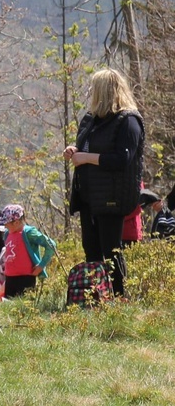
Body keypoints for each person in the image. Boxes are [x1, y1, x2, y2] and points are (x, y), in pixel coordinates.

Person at [63, 68, 145, 297]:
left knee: (111, 250)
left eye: (94, 88)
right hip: (89, 195)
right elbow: (87, 146)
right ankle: (96, 297)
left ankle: (119, 297)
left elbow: (123, 159)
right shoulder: (91, 119)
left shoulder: (128, 121)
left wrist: (87, 158)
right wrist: (75, 150)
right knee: (91, 249)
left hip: (112, 197)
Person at [0, 204, 56, 299]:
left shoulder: (29, 233)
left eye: (6, 223)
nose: (4, 225)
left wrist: (41, 266)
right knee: (9, 309)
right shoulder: (7, 234)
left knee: (24, 308)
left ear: (16, 222)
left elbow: (51, 245)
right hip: (9, 278)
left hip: (26, 279)